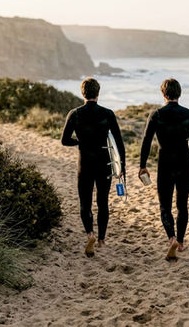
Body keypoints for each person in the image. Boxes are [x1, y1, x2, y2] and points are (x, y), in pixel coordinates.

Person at [139, 78, 189, 260]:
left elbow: (146, 141)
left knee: (165, 206)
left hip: (165, 164)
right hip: (184, 164)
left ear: (163, 93)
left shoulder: (157, 115)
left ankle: (172, 238)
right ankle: (181, 242)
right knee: (182, 205)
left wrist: (143, 165)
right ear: (179, 93)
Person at [61, 77, 125, 257]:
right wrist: (122, 169)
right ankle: (102, 239)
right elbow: (119, 143)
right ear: (98, 92)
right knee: (103, 201)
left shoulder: (75, 113)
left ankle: (90, 234)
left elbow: (64, 140)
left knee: (85, 202)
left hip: (85, 163)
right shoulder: (108, 113)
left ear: (83, 93)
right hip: (104, 162)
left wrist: (79, 141)